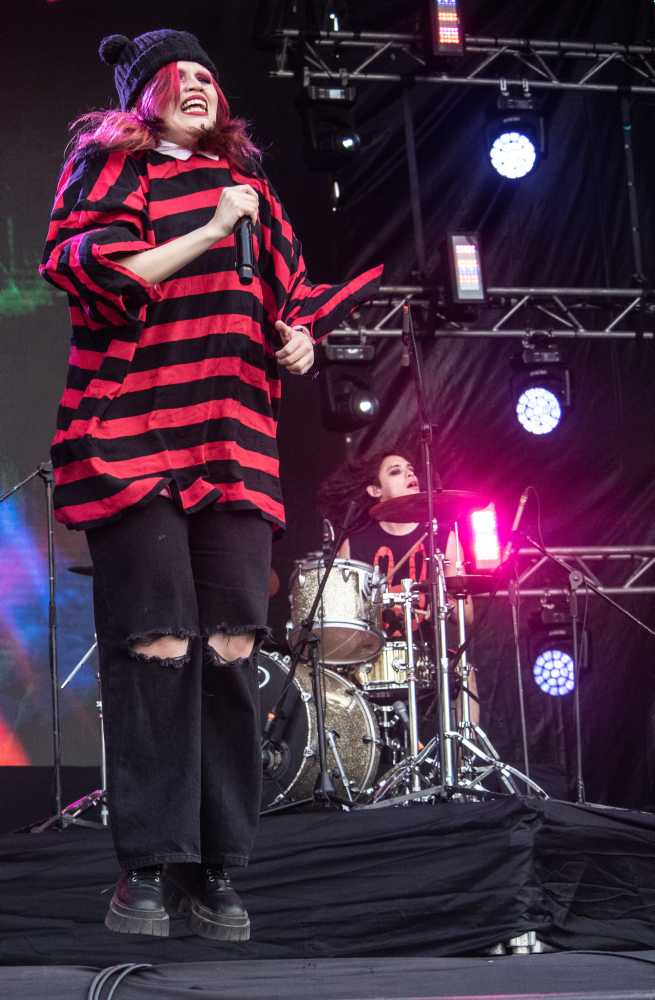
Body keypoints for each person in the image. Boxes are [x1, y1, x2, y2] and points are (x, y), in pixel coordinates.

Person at [40, 28, 382, 940]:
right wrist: (210, 228)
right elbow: (96, 274)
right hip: (130, 435)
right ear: (140, 95)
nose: (197, 85)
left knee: (231, 650)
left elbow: (289, 300)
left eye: (206, 75)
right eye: (176, 74)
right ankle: (146, 868)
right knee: (157, 646)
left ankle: (219, 867)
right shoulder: (114, 172)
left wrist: (299, 340)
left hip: (232, 440)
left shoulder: (251, 192)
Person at [318, 449, 478, 722]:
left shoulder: (441, 536)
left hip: (427, 656)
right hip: (372, 660)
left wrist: (447, 602)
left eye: (410, 469)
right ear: (375, 490)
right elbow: (342, 618)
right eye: (395, 471)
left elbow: (467, 615)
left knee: (466, 672)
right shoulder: (354, 543)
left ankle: (466, 749)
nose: (409, 473)